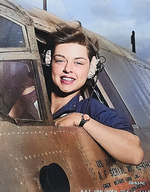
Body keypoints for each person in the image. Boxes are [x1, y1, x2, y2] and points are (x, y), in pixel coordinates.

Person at [43, 24, 144, 165]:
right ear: (49, 61)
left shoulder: (89, 109)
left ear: (91, 69)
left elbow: (135, 154)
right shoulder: (30, 100)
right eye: (60, 60)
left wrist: (81, 119)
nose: (68, 69)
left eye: (78, 63)